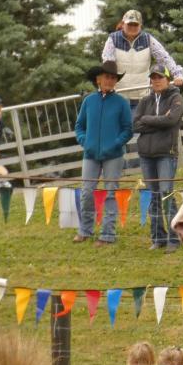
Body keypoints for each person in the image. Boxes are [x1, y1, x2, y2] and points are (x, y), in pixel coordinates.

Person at [75, 60, 133, 247]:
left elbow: (127, 129)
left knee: (110, 193)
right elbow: (79, 126)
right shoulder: (88, 101)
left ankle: (108, 234)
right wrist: (85, 141)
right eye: (107, 77)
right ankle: (85, 230)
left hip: (113, 156)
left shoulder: (121, 103)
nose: (110, 80)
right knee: (86, 192)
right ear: (98, 79)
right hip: (90, 154)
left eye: (113, 78)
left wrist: (116, 144)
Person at [133, 64, 183, 253]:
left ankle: (174, 238)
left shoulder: (175, 98)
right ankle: (157, 238)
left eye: (160, 77)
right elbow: (135, 125)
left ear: (168, 79)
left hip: (166, 154)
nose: (156, 80)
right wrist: (157, 120)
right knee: (153, 196)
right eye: (153, 77)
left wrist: (147, 119)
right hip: (146, 155)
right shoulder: (145, 100)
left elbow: (172, 121)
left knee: (166, 195)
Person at [101, 9, 183, 108]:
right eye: (129, 24)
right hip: (118, 96)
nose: (132, 27)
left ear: (140, 26)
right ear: (123, 24)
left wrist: (177, 74)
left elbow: (164, 58)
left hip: (142, 96)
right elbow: (108, 63)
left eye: (135, 25)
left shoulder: (148, 39)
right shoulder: (113, 39)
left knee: (140, 123)